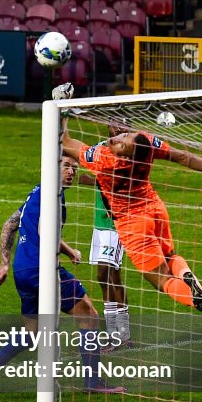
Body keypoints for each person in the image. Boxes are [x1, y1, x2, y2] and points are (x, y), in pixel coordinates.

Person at [58, 91, 202, 335]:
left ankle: (186, 293)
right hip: (154, 209)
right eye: (122, 135)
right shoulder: (145, 142)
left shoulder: (104, 159)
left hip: (132, 223)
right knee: (171, 258)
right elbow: (182, 156)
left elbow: (67, 143)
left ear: (123, 155)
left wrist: (62, 110)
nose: (118, 138)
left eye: (122, 142)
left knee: (161, 281)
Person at [0, 158, 124, 394]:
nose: (71, 172)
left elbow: (9, 225)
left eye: (74, 168)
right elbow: (44, 232)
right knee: (89, 315)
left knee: (32, 333)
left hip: (23, 270)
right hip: (43, 270)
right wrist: (56, 265)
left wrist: (5, 263)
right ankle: (93, 382)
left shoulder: (35, 193)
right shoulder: (53, 196)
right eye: (66, 166)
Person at [78, 118, 133, 347]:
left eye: (123, 124)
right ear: (108, 127)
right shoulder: (100, 148)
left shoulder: (131, 151)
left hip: (117, 221)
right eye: (114, 124)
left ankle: (121, 334)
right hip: (99, 221)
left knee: (110, 274)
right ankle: (117, 334)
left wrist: (92, 181)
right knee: (104, 276)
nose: (119, 128)